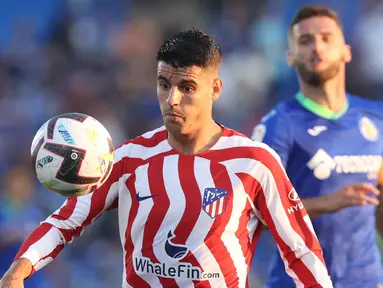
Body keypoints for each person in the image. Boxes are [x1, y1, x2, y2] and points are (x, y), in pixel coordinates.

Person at [0, 28, 332, 288]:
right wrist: (19, 268)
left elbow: (300, 250)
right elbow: (63, 223)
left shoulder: (254, 162)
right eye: (163, 84)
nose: (172, 99)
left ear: (215, 88)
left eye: (187, 87)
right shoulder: (128, 159)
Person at [251, 6, 383, 288]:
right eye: (305, 40)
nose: (316, 47)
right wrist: (325, 203)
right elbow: (253, 216)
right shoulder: (278, 125)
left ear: (346, 50)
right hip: (298, 282)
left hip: (366, 280)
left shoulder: (375, 118)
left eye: (326, 38)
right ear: (290, 57)